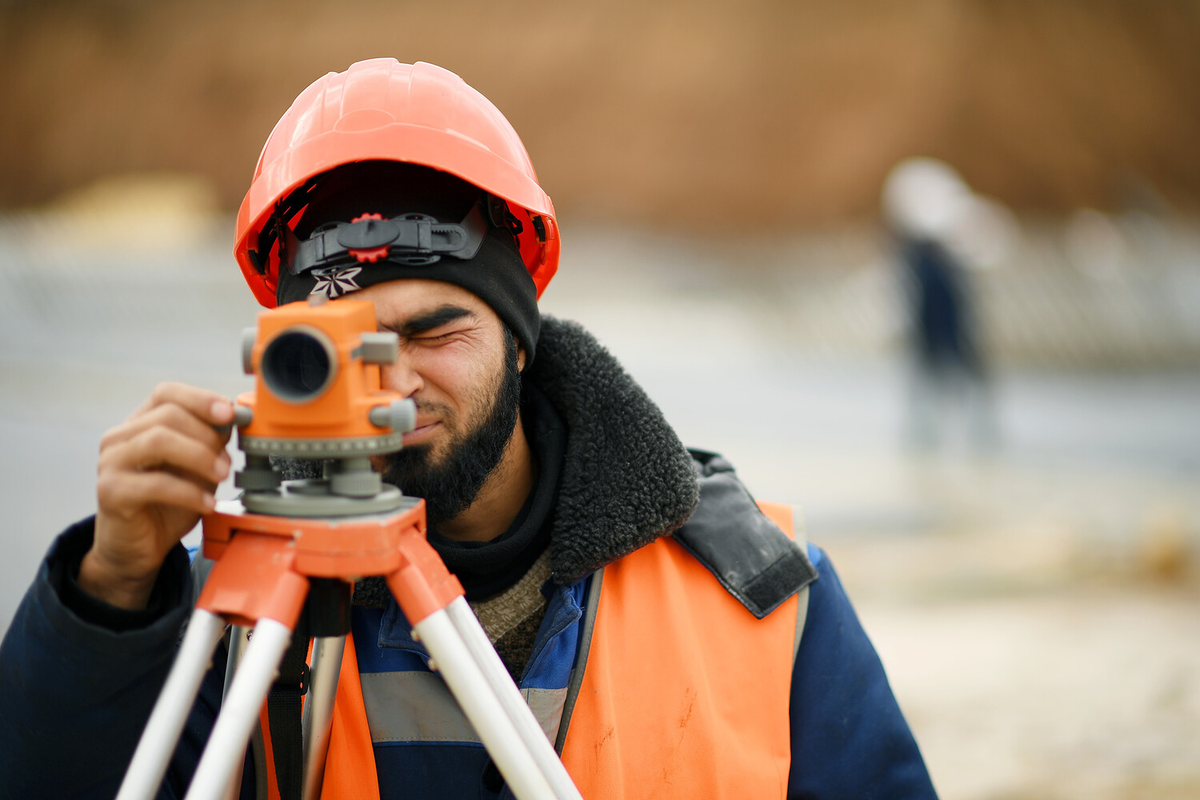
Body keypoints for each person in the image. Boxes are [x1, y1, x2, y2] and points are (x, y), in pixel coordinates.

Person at [0, 60, 938, 799]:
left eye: (436, 330)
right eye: (345, 345)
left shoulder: (762, 593)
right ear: (282, 353)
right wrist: (110, 598)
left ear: (522, 342)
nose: (395, 380)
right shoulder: (234, 619)